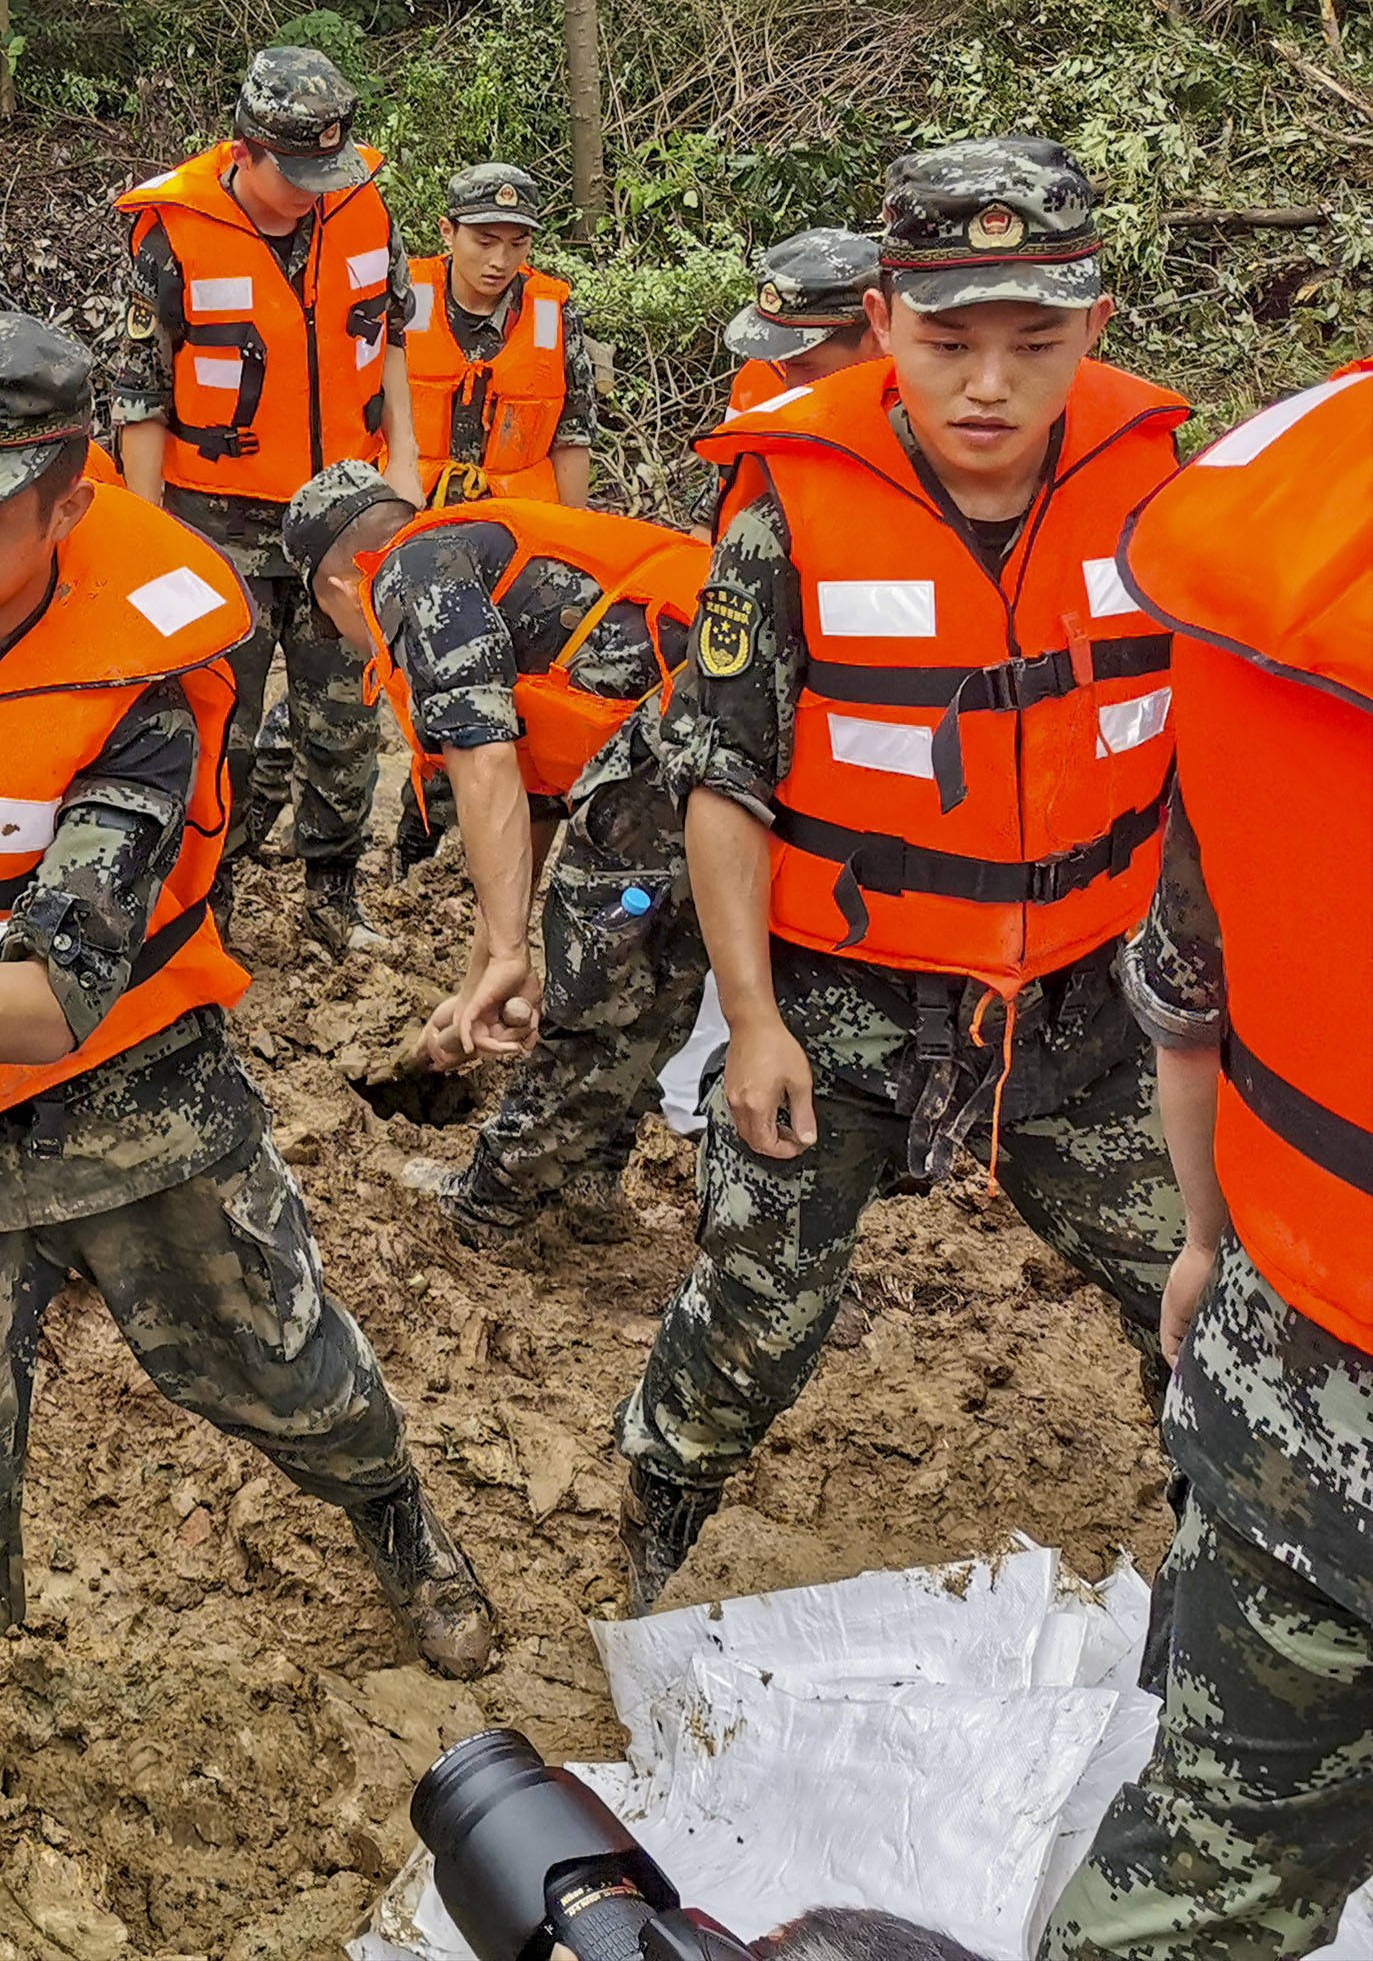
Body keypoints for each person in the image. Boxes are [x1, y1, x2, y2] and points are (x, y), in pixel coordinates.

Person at [0, 312, 497, 1815]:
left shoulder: (145, 677)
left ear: (69, 498)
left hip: (124, 1098)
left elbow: (48, 1001)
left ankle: (395, 1514)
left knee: (273, 1359)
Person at [613, 138, 1191, 1613]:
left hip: (1088, 1001)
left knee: (1205, 1294)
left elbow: (1215, 759)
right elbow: (722, 783)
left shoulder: (1164, 494)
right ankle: (659, 1503)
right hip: (842, 1001)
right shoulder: (782, 518)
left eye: (1033, 345)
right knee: (756, 1308)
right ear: (882, 323)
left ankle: (1229, 1552)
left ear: (1093, 329)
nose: (986, 385)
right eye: (947, 342)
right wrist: (749, 1020)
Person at [1041, 359, 1373, 1961]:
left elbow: (1188, 1008)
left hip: (1297, 1386)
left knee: (1186, 1890)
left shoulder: (1292, 553)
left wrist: (1204, 1242)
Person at [283, 461, 709, 1247]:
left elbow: (481, 757)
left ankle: (490, 1204)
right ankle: (587, 1177)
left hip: (684, 733)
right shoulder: (496, 561)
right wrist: (483, 978)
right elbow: (532, 804)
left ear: (340, 588)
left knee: (600, 964)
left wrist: (516, 951)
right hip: (727, 726)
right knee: (657, 962)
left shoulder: (411, 570)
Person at [107, 46, 421, 955]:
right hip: (216, 519)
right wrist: (149, 532)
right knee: (219, 731)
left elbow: (391, 335)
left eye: (328, 170)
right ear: (244, 149)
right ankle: (210, 909)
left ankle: (332, 894)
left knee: (346, 715)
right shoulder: (172, 232)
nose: (315, 192)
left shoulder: (360, 206)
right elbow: (139, 392)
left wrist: (402, 458)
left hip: (343, 512)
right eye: (297, 174)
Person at [397, 164, 603, 509]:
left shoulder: (553, 315)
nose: (500, 261)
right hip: (412, 508)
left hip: (517, 519)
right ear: (448, 232)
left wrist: (573, 537)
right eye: (485, 242)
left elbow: (572, 438)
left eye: (517, 244)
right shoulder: (404, 298)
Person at [723, 228, 884, 415]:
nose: (788, 383)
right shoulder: (759, 378)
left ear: (877, 337)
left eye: (805, 365)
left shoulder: (919, 408)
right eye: (780, 359)